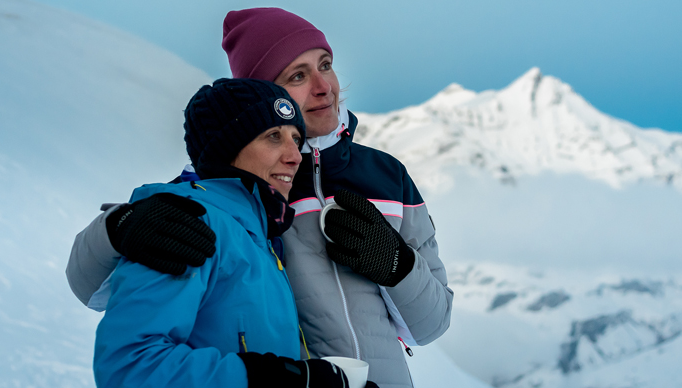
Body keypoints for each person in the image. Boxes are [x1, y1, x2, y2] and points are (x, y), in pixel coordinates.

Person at [68, 8, 453, 388]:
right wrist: (119, 227)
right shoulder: (232, 192)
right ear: (262, 94)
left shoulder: (387, 177)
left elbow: (432, 325)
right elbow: (96, 289)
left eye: (326, 64)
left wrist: (396, 265)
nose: (324, 87)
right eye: (298, 75)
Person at [92, 78, 350, 388]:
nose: (295, 155)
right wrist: (266, 378)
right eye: (273, 136)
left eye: (296, 139)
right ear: (227, 149)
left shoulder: (262, 241)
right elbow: (129, 365)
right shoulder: (188, 222)